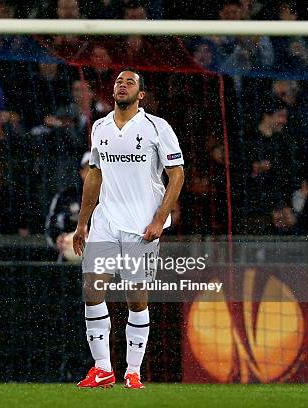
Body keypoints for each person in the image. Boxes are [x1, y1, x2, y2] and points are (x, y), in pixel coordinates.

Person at [72, 68, 184, 389]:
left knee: (136, 298)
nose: (122, 86)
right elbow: (94, 173)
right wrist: (82, 223)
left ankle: (133, 371)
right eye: (119, 82)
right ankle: (102, 368)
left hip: (142, 225)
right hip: (105, 220)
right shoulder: (101, 127)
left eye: (129, 82)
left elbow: (177, 175)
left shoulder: (156, 128)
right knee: (93, 290)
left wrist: (159, 219)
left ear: (141, 94)